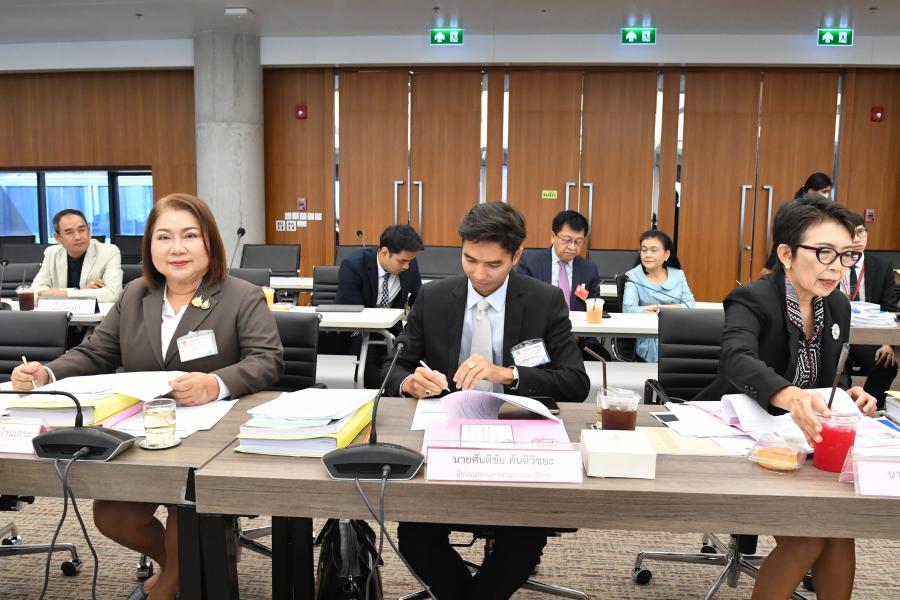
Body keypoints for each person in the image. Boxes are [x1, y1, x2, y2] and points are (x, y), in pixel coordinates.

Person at [11, 193, 284, 600]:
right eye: (164, 237)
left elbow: (267, 360)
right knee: (113, 515)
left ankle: (172, 586)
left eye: (189, 235)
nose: (176, 248)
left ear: (209, 241)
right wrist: (47, 373)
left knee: (184, 509)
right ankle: (188, 567)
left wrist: (215, 383)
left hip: (210, 440)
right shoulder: (136, 294)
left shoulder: (241, 295)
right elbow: (96, 352)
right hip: (143, 432)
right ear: (149, 246)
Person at [384, 202, 589, 600]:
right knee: (414, 534)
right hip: (445, 437)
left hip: (519, 443)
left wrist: (508, 374)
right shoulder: (434, 296)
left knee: (523, 538)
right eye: (470, 260)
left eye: (493, 264)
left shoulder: (544, 300)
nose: (479, 274)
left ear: (516, 256)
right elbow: (393, 367)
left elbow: (576, 382)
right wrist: (410, 382)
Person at [695, 195, 876, 600]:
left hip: (802, 442)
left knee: (839, 531)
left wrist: (849, 392)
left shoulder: (837, 305)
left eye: (845, 255)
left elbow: (828, 374)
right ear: (786, 254)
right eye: (824, 252)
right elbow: (736, 359)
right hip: (743, 435)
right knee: (806, 538)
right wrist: (789, 395)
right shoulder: (753, 298)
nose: (836, 266)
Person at [335, 224, 423, 387]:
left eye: (410, 261)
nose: (406, 266)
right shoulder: (354, 265)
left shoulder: (409, 265)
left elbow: (418, 297)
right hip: (359, 332)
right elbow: (351, 312)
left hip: (392, 331)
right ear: (384, 252)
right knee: (373, 374)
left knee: (412, 366)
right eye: (402, 261)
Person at [843, 212, 898, 407]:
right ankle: (843, 402)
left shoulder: (881, 266)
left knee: (888, 362)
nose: (856, 239)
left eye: (860, 232)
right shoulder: (832, 264)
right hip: (837, 332)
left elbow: (890, 308)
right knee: (832, 363)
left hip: (868, 334)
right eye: (850, 234)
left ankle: (869, 405)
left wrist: (889, 343)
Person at [622, 229, 695, 362]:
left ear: (667, 254)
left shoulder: (678, 275)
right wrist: (675, 310)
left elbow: (690, 305)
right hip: (649, 334)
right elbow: (629, 310)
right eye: (644, 250)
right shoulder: (633, 276)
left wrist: (657, 308)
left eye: (654, 250)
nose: (647, 255)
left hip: (678, 329)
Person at [32, 208, 124, 303]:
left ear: (89, 231)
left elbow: (113, 293)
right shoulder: (51, 253)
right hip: (59, 311)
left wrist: (64, 294)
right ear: (58, 237)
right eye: (69, 232)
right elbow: (36, 289)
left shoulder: (109, 252)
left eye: (82, 230)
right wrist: (80, 292)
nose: (78, 237)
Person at [517, 209, 601, 312]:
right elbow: (521, 299)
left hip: (577, 322)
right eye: (566, 240)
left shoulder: (589, 269)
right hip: (541, 321)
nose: (572, 247)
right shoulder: (530, 262)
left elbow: (594, 306)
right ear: (553, 237)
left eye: (578, 242)